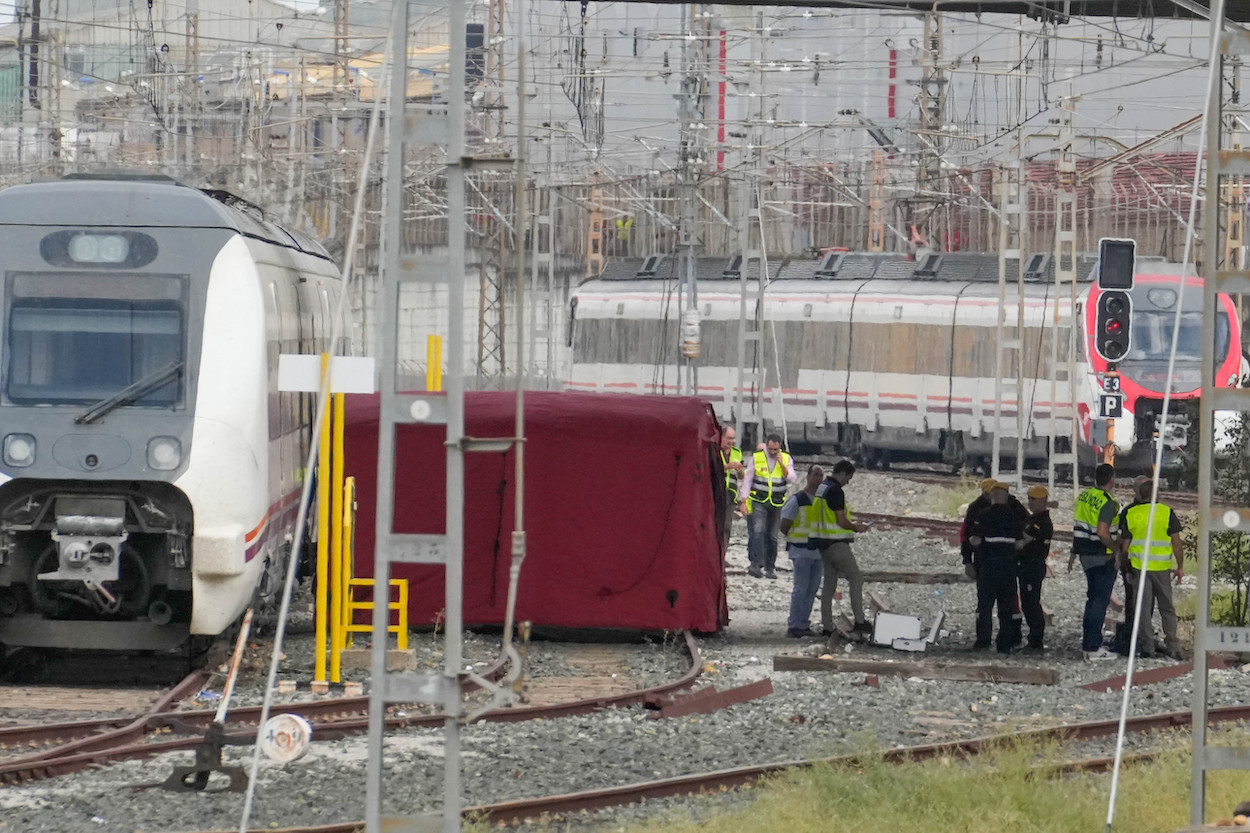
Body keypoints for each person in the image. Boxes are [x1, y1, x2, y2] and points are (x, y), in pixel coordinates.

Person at [1117, 476, 1185, 661]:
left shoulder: (1131, 514)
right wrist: (1179, 566)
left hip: (1140, 568)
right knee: (1167, 608)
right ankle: (1172, 645)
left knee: (1142, 608)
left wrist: (1127, 568)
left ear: (1140, 494)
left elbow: (1125, 546)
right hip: (1162, 568)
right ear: (1156, 494)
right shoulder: (1166, 512)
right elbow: (1176, 543)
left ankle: (1147, 647)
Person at [812, 459, 872, 635]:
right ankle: (860, 621)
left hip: (823, 543)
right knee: (856, 578)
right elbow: (841, 520)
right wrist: (857, 527)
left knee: (829, 585)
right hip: (836, 543)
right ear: (844, 473)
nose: (848, 482)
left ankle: (827, 625)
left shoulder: (822, 487)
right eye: (849, 477)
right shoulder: (836, 491)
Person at [1069, 463, 1121, 661]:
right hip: (1101, 556)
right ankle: (1092, 648)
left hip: (1085, 554)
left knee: (1092, 600)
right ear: (1111, 480)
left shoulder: (1084, 496)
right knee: (1099, 602)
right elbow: (1102, 532)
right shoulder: (1109, 503)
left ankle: (1088, 644)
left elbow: (1080, 525)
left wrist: (1074, 554)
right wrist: (1116, 549)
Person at [968, 481, 1024, 653]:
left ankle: (983, 640)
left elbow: (975, 540)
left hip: (987, 567)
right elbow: (1020, 543)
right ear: (1006, 497)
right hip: (1007, 568)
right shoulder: (1014, 516)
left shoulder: (983, 514)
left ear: (992, 497)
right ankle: (1004, 643)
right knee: (1006, 606)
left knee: (985, 605)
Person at [738, 433, 796, 579]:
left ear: (779, 448)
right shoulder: (757, 458)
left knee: (772, 536)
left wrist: (782, 464)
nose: (772, 452)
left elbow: (791, 478)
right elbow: (748, 480)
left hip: (776, 503)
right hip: (758, 500)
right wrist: (743, 501)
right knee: (758, 531)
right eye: (770, 449)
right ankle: (756, 564)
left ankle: (770, 567)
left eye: (775, 450)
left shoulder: (786, 458)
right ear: (766, 446)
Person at [779, 466, 824, 638]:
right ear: (808, 476)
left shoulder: (822, 501)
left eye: (821, 475)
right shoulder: (798, 499)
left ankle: (803, 624)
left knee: (811, 590)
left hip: (818, 552)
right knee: (801, 589)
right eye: (815, 475)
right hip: (801, 551)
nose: (818, 478)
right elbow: (785, 525)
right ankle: (795, 625)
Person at [1016, 484, 1053, 654]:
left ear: (1042, 501)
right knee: (1028, 602)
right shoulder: (1032, 519)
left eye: (1033, 499)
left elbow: (1024, 539)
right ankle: (1034, 638)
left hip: (1033, 566)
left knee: (1031, 603)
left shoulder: (1041, 522)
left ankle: (1036, 640)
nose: (1030, 502)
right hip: (1027, 565)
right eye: (1029, 499)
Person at [719, 426, 745, 554]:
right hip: (717, 492)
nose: (731, 441)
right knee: (715, 525)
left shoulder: (737, 452)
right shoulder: (715, 451)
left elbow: (740, 477)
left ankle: (723, 553)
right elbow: (710, 468)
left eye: (733, 438)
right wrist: (727, 466)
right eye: (729, 438)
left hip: (731, 493)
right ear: (722, 437)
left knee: (727, 526)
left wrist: (740, 472)